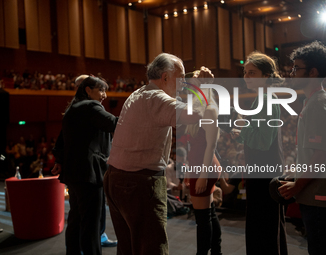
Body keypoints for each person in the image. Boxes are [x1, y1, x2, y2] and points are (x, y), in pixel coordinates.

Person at [104, 53, 205, 255]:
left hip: (115, 179)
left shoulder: (139, 93)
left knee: (128, 248)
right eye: (182, 77)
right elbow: (195, 116)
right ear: (166, 77)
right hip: (139, 184)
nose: (184, 83)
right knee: (152, 248)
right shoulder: (157, 99)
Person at [51, 76, 117, 255]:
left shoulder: (72, 109)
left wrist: (59, 160)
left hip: (74, 173)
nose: (104, 95)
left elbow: (62, 140)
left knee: (76, 219)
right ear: (88, 90)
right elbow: (115, 123)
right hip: (89, 173)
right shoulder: (91, 107)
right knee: (91, 224)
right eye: (101, 90)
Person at [231, 52, 288, 255]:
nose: (246, 76)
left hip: (265, 173)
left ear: (266, 75)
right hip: (264, 171)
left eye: (252, 72)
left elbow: (263, 142)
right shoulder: (263, 99)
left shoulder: (266, 100)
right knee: (269, 229)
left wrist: (243, 127)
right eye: (245, 72)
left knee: (263, 230)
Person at [279, 41, 326, 255]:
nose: (292, 73)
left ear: (313, 72)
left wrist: (297, 185)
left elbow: (321, 155)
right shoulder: (312, 102)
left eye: (297, 68)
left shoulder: (317, 103)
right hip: (313, 193)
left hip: (317, 197)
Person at [185, 70, 222, 255]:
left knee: (203, 218)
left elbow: (211, 146)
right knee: (209, 214)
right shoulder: (199, 108)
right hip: (199, 165)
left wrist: (202, 175)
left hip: (204, 166)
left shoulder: (209, 109)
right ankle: (216, 252)